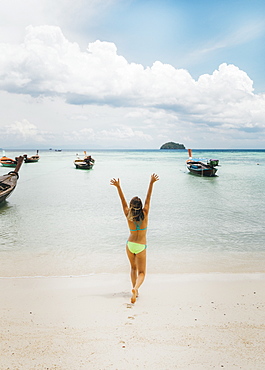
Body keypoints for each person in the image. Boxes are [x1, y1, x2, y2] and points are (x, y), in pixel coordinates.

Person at [110, 173, 159, 303]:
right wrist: (151, 183)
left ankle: (134, 289)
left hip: (130, 244)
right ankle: (136, 288)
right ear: (141, 205)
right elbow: (149, 197)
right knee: (142, 272)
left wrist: (118, 187)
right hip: (141, 245)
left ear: (131, 206)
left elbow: (123, 201)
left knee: (133, 268)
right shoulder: (145, 213)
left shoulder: (128, 214)